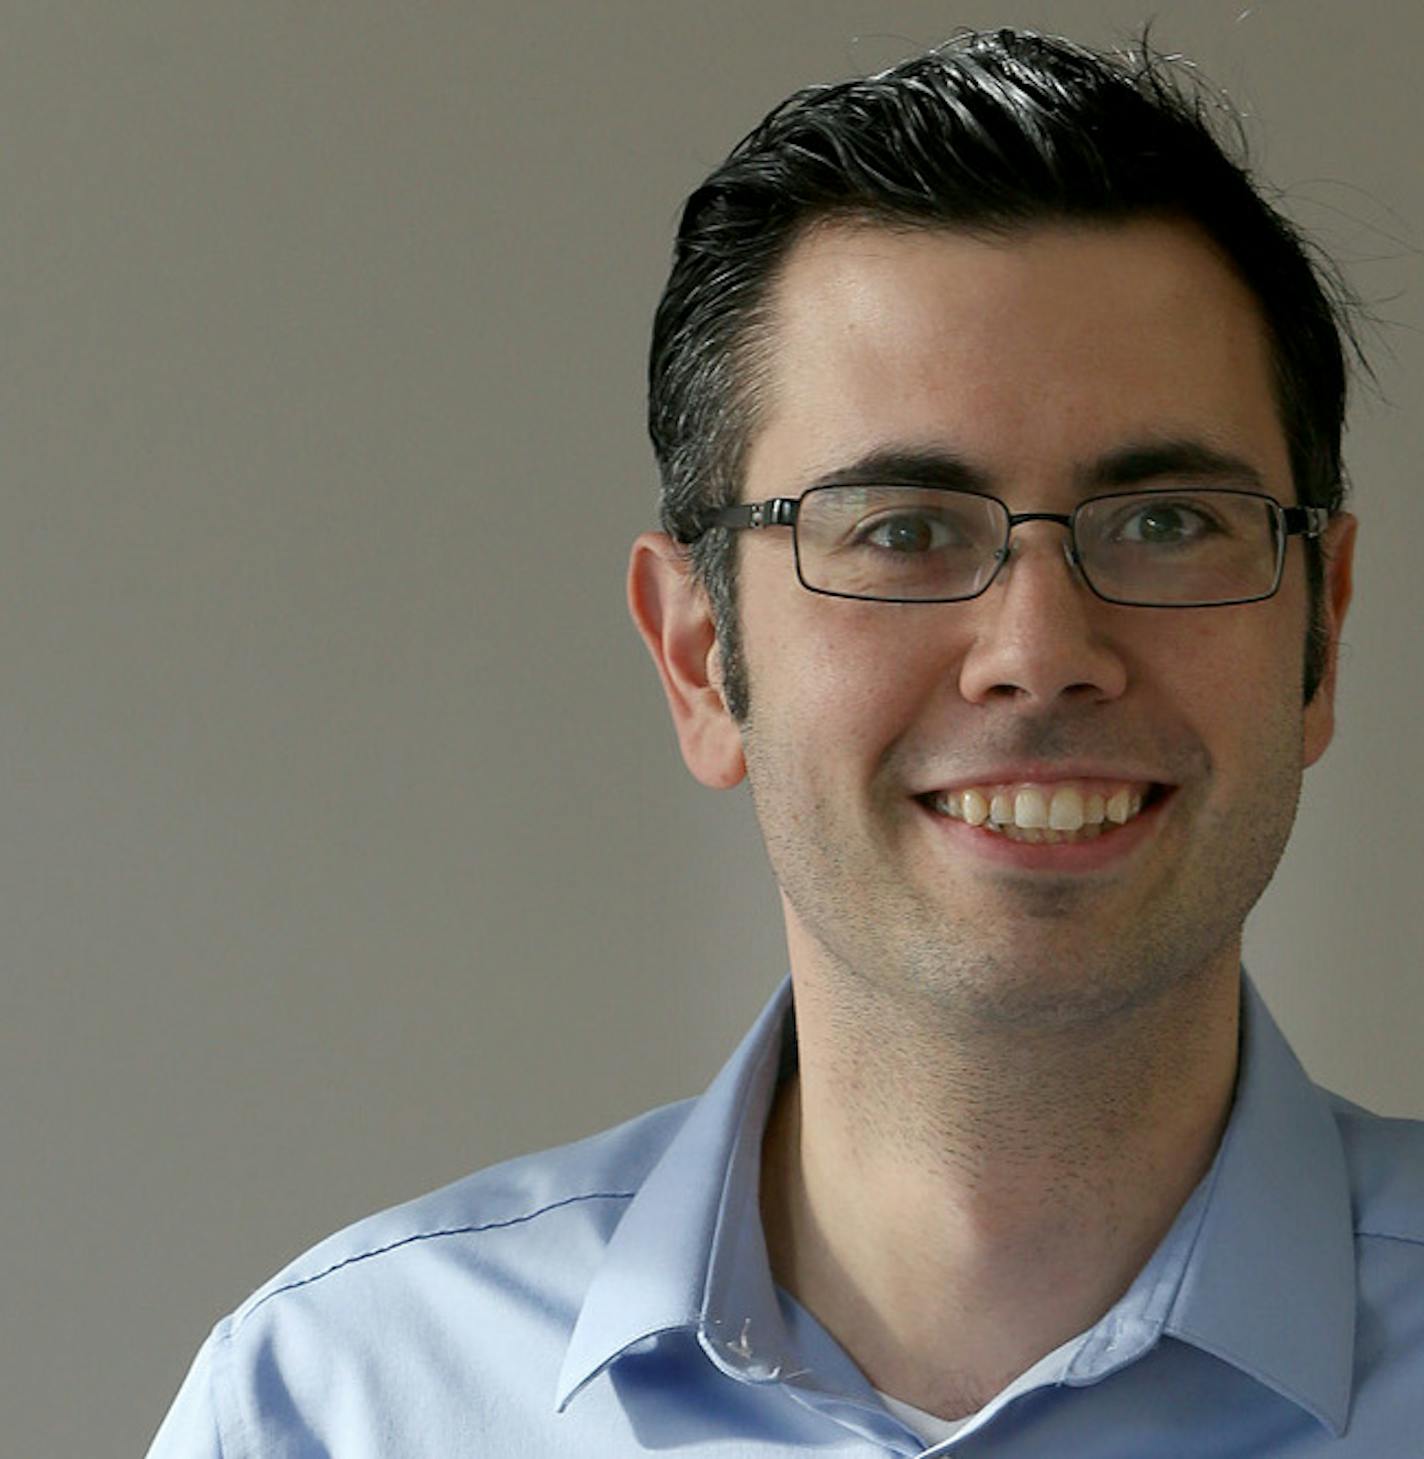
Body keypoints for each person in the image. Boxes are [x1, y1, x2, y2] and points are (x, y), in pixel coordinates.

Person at [147, 29, 1422, 1457]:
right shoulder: (333, 1409)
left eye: (1169, 522)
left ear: (1325, 629)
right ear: (699, 654)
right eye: (901, 531)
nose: (1042, 653)